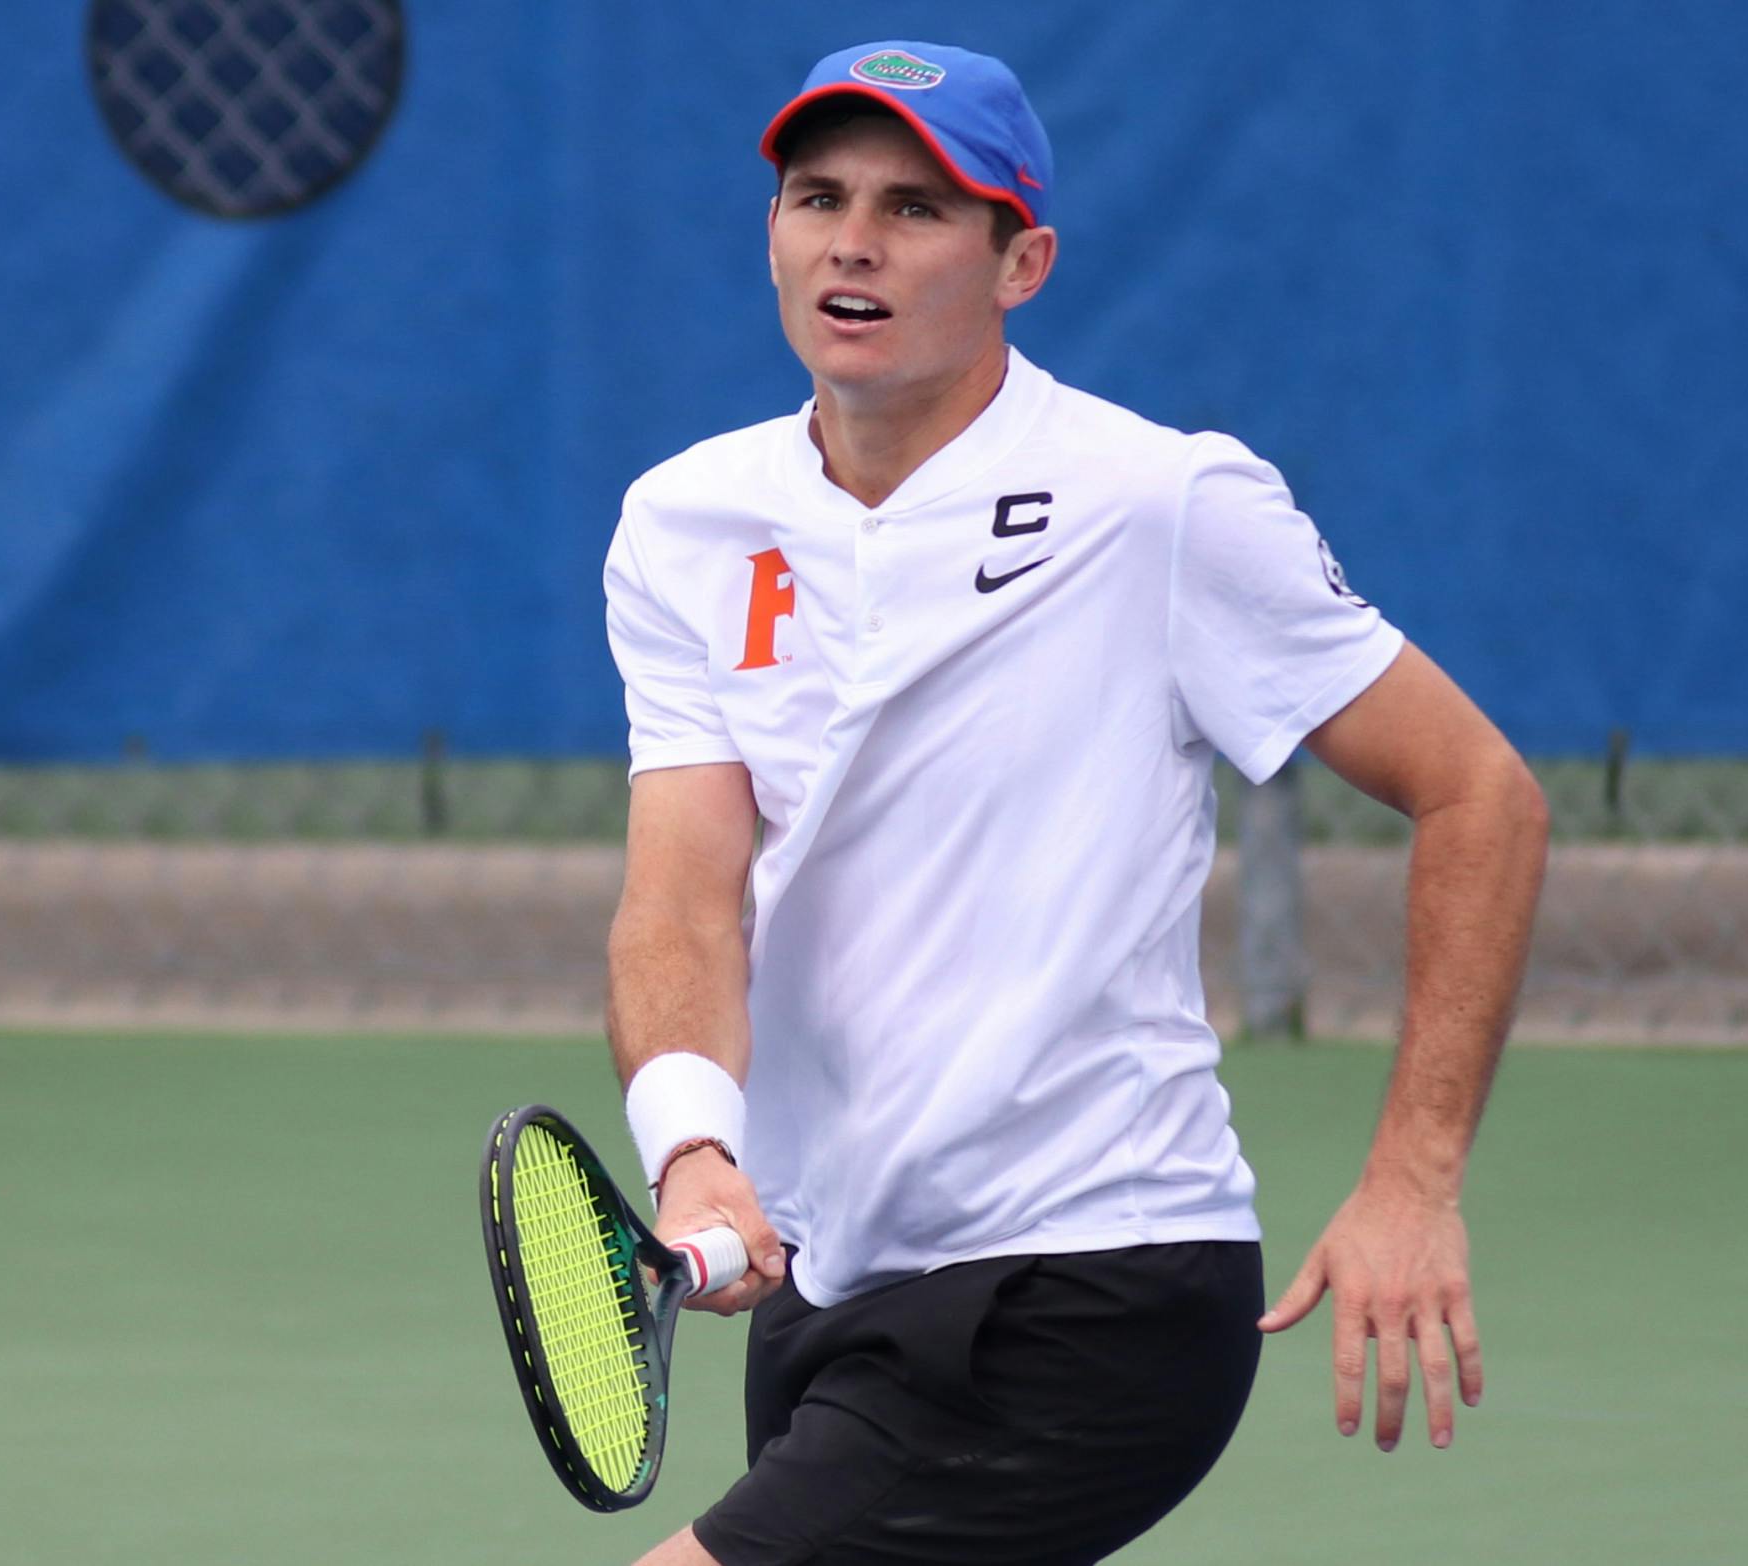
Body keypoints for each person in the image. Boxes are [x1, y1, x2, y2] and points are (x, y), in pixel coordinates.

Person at [602, 39, 1548, 1566]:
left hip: (1093, 1277)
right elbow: (682, 892)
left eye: (917, 207)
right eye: (817, 195)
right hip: (828, 1289)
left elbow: (1479, 793)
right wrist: (696, 1143)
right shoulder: (683, 523)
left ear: (1021, 260)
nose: (852, 238)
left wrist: (1412, 1181)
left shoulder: (1158, 503)